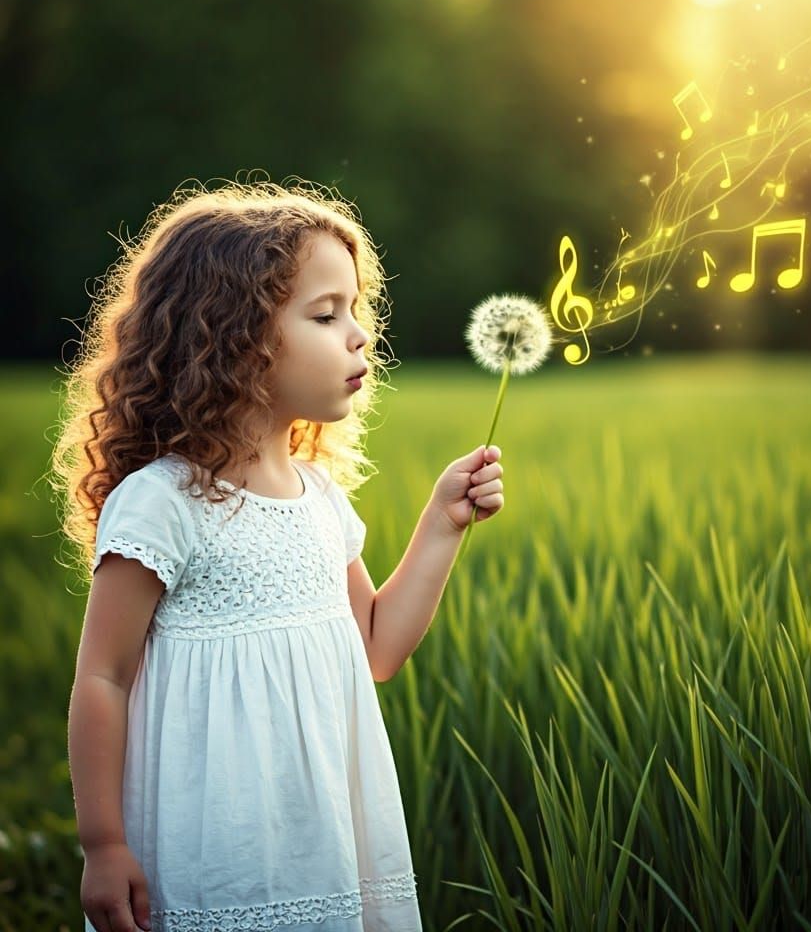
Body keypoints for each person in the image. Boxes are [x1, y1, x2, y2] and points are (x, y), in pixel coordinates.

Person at [55, 179, 505, 932]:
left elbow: (377, 648)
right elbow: (103, 675)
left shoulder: (319, 498)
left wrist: (442, 523)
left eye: (357, 310)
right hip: (213, 839)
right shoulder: (164, 502)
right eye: (326, 314)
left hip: (318, 831)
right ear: (232, 337)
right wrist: (103, 844)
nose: (359, 334)